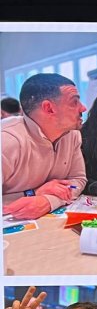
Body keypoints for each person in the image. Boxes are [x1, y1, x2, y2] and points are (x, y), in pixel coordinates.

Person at [0, 72, 86, 220]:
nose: (83, 108)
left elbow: (78, 179)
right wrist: (33, 193)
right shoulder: (7, 140)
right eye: (74, 102)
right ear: (49, 108)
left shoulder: (72, 134)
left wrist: (48, 201)